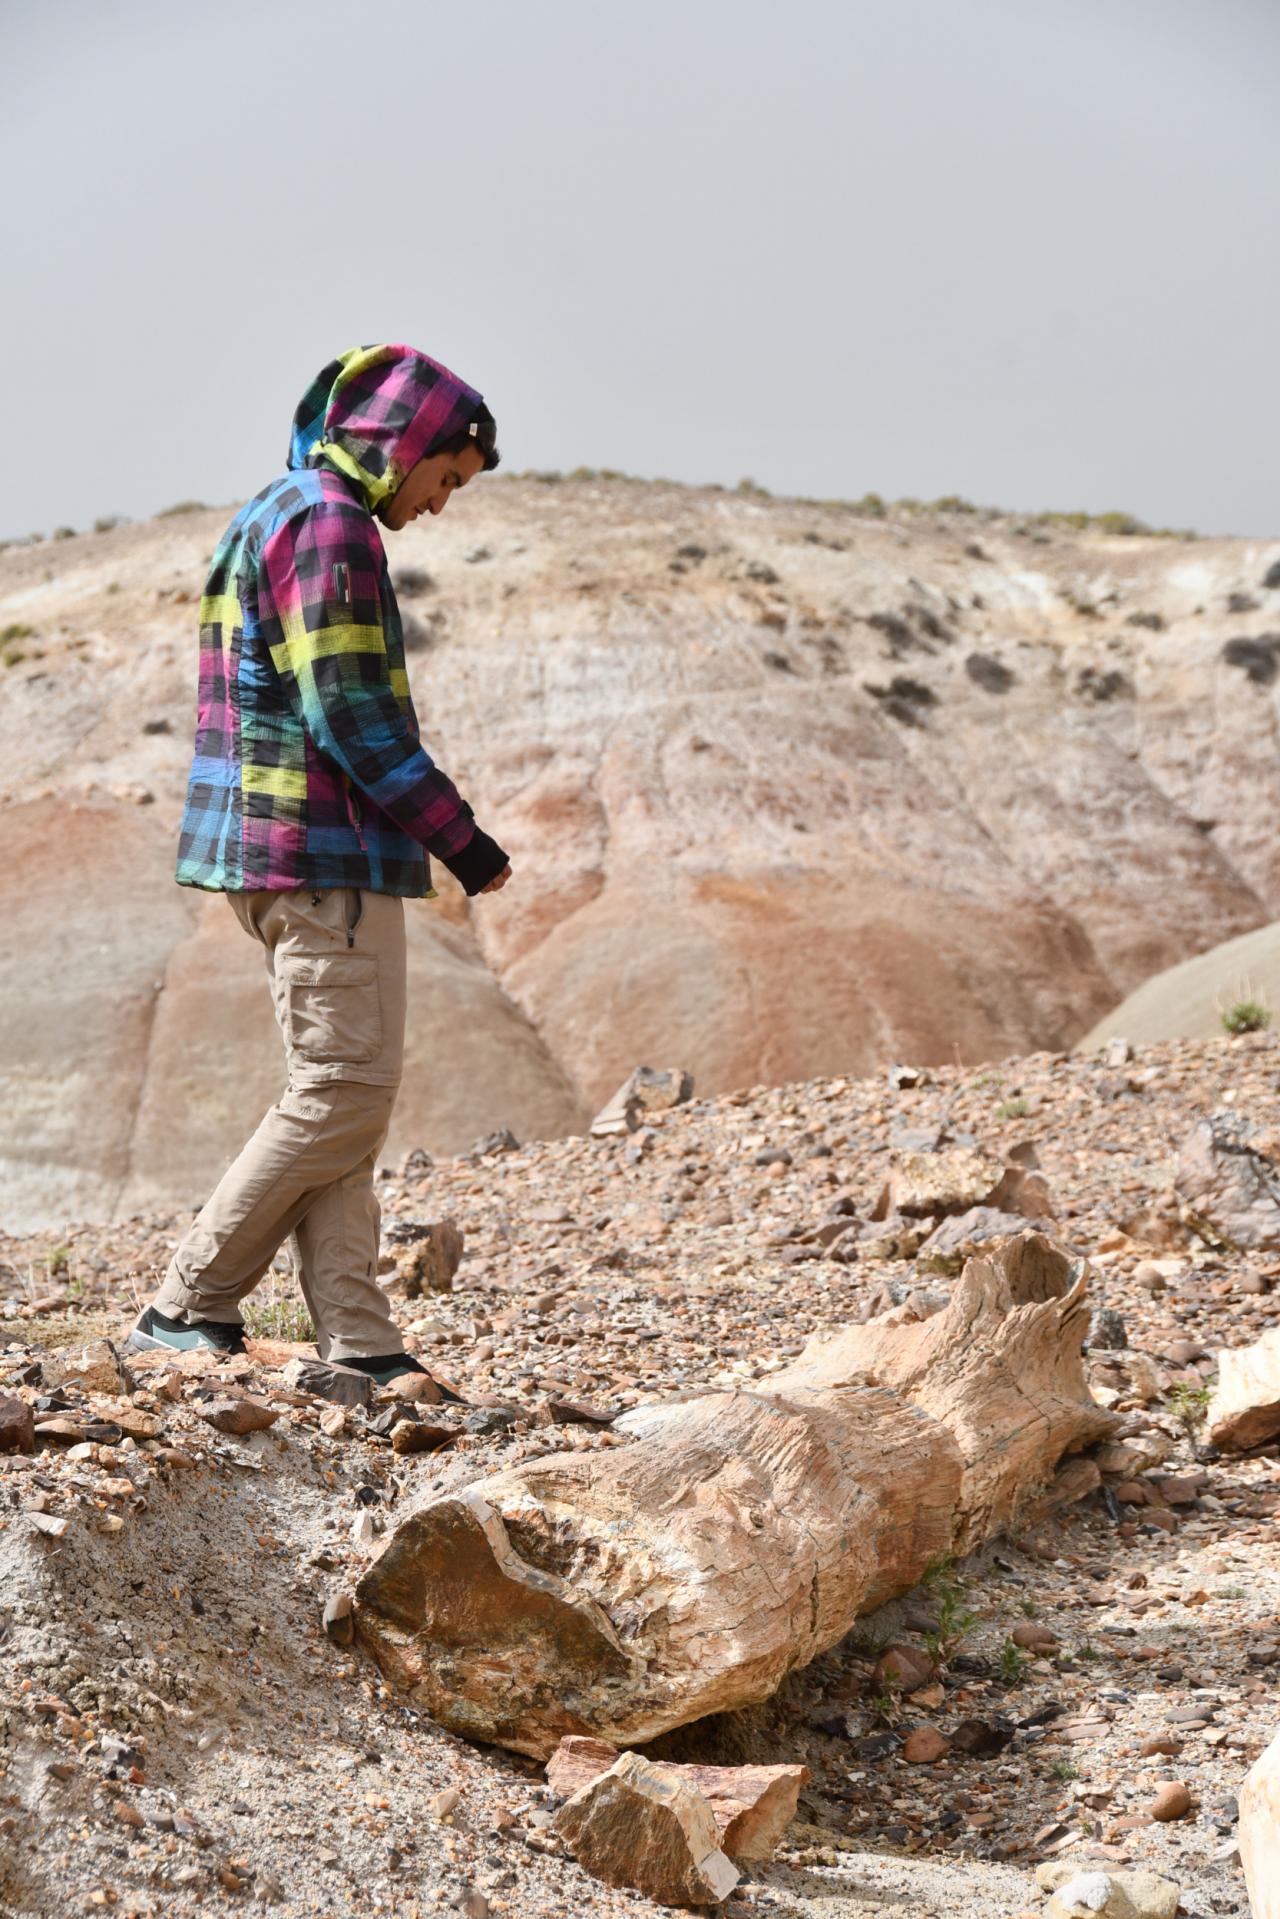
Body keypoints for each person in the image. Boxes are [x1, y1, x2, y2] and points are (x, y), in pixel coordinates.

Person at [127, 344, 511, 1387]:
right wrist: (461, 839)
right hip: (321, 850)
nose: (437, 504)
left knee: (346, 1091)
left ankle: (361, 1338)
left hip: (287, 853)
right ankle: (186, 1300)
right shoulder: (329, 521)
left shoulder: (277, 510)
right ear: (409, 443)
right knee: (342, 1089)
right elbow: (348, 711)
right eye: (446, 477)